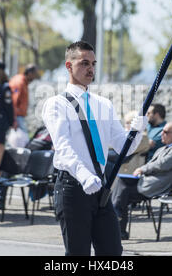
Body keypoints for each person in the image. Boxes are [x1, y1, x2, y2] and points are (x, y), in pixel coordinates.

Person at [42, 40, 148, 256]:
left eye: (93, 63)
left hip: (101, 188)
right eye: (84, 63)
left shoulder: (103, 105)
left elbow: (123, 147)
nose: (90, 68)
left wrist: (136, 132)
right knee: (78, 254)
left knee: (112, 252)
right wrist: (84, 175)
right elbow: (63, 147)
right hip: (73, 187)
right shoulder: (56, 104)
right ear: (68, 66)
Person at [111, 121, 172, 240]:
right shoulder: (162, 149)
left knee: (122, 191)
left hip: (158, 186)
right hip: (147, 181)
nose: (162, 133)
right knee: (121, 182)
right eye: (162, 131)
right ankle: (118, 224)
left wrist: (142, 169)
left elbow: (162, 165)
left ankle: (117, 223)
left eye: (165, 132)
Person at [8, 64, 40, 133]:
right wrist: (14, 119)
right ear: (29, 73)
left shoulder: (23, 82)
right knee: (23, 139)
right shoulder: (20, 83)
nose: (34, 77)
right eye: (34, 74)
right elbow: (14, 101)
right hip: (16, 117)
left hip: (18, 116)